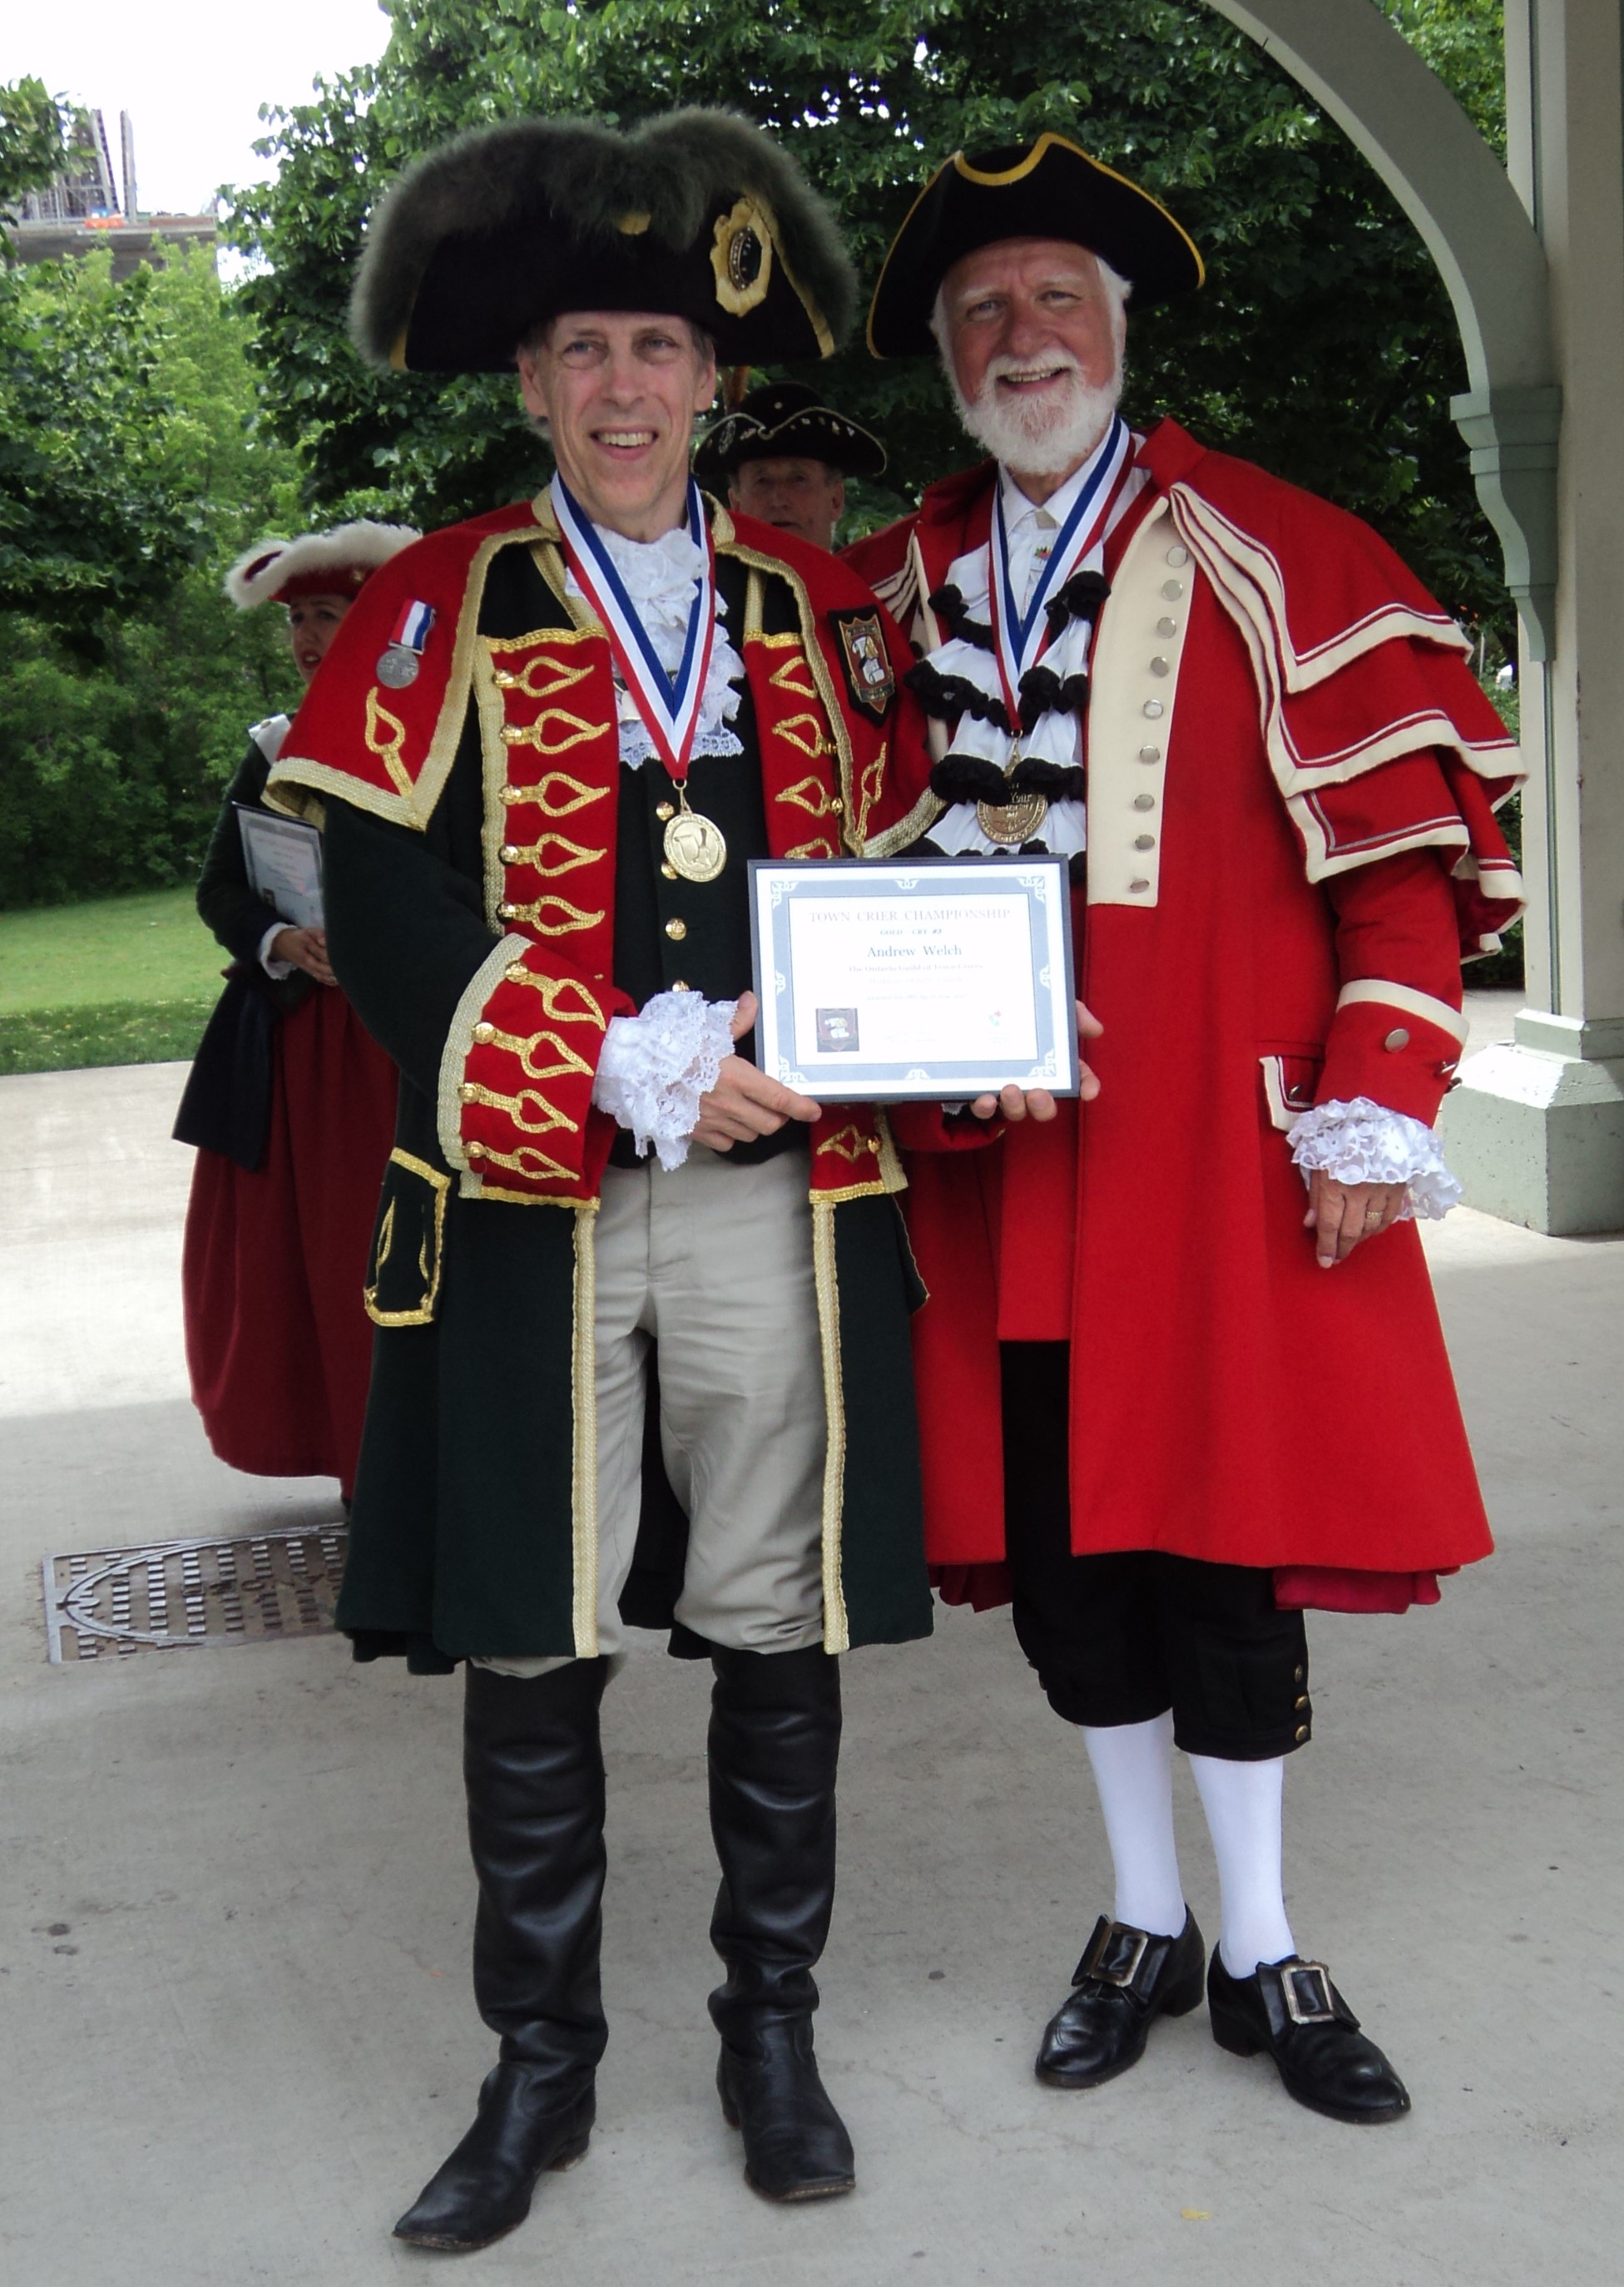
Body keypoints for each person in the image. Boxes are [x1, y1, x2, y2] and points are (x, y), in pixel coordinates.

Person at [264, 110, 934, 2250]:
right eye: (585, 349)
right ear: (532, 384)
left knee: (768, 1614)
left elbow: (909, 868)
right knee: (528, 1636)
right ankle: (538, 2066)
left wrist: (838, 1043)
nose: (625, 385)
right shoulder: (449, 594)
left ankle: (767, 2031)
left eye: (658, 343)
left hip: (774, 1187)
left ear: (713, 379)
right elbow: (364, 881)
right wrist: (606, 1056)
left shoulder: (809, 603)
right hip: (538, 1196)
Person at [844, 131, 1525, 2126]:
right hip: (999, 1170)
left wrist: (1368, 1108)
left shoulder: (1281, 549)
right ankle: (1133, 1912)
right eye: (979, 311)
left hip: (1220, 1167)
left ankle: (1255, 1933)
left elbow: (1401, 886)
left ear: (1118, 331)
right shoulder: (895, 581)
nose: (1017, 332)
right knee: (1067, 1554)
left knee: (1225, 1558)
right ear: (949, 362)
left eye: (1053, 296)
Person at [175, 522, 415, 1502]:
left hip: (397, 1041)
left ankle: (416, 1461)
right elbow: (219, 892)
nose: (311, 637)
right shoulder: (273, 745)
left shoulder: (435, 738)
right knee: (314, 1265)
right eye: (301, 621)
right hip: (298, 1051)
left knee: (396, 1252)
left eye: (330, 614)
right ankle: (357, 1465)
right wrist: (281, 944)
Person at [694, 375, 887, 549]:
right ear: (735, 505)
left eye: (799, 479)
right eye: (762, 481)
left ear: (836, 500)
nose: (778, 500)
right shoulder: (698, 588)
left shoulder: (864, 588)